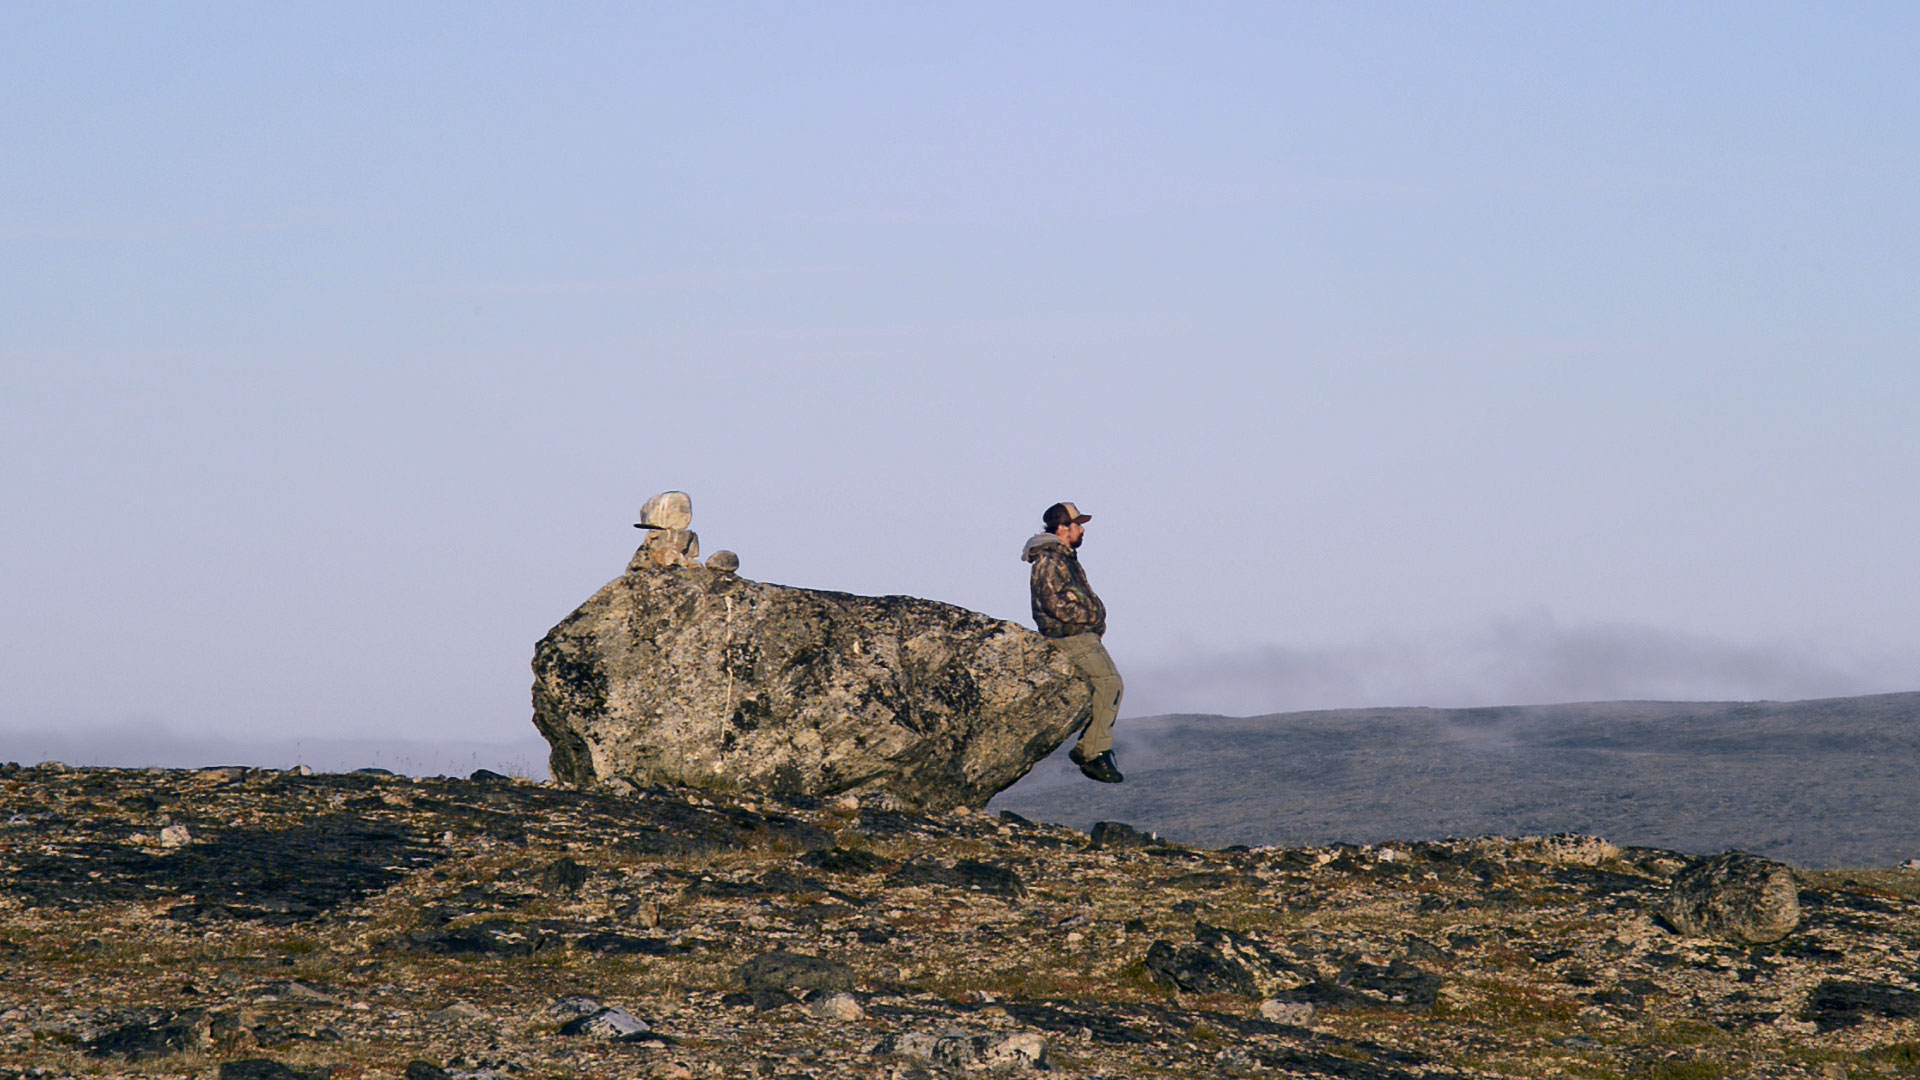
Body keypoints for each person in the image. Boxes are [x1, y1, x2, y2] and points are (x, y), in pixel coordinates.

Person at [1023, 501, 1125, 783]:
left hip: (1079, 634)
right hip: (1071, 637)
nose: (1082, 530)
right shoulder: (1050, 560)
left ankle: (1093, 747)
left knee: (1103, 687)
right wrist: (1090, 617)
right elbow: (1052, 602)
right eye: (1077, 524)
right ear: (1062, 528)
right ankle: (1092, 751)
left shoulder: (1062, 558)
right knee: (1110, 683)